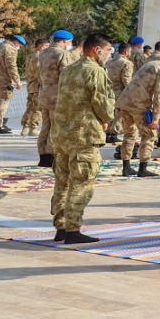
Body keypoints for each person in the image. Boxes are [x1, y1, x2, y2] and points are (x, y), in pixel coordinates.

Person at [49, 33, 116, 244]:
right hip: (84, 135)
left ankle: (61, 228)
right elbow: (103, 103)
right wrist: (106, 119)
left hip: (62, 134)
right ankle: (73, 230)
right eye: (108, 50)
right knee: (82, 183)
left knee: (62, 182)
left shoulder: (69, 69)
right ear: (97, 50)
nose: (109, 54)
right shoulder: (95, 71)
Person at [115, 53, 160, 177]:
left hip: (124, 102)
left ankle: (126, 167)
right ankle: (143, 168)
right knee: (150, 135)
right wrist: (156, 119)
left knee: (129, 134)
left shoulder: (152, 63)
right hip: (139, 105)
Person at [35, 31, 78, 168]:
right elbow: (67, 76)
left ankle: (43, 155)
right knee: (56, 127)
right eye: (70, 42)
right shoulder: (63, 54)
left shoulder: (43, 52)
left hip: (44, 93)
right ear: (65, 41)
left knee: (45, 126)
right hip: (58, 95)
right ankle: (51, 155)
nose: (70, 44)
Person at [0, 34, 24, 133]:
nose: (19, 46)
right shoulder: (10, 48)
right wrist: (17, 80)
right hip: (3, 80)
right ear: (16, 42)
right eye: (20, 44)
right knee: (3, 102)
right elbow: (11, 66)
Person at [21, 36, 47, 135]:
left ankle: (25, 127)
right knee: (37, 108)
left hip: (31, 84)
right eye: (46, 46)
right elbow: (39, 72)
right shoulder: (39, 57)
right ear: (40, 46)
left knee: (30, 107)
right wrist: (44, 84)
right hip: (38, 85)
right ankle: (33, 128)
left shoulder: (30, 56)